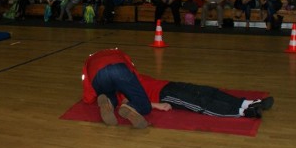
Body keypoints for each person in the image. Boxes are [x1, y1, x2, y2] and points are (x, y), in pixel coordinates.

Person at [138, 74, 274, 119]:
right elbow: (126, 102)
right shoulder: (116, 85)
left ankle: (248, 103)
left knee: (209, 91)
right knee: (199, 102)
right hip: (161, 95)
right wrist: (156, 105)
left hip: (167, 84)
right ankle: (244, 112)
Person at [81, 49, 151, 128]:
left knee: (108, 93)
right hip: (118, 68)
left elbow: (87, 85)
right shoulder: (120, 53)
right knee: (145, 106)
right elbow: (133, 73)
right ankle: (131, 106)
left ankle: (108, 103)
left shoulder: (88, 61)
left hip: (98, 75)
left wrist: (89, 99)